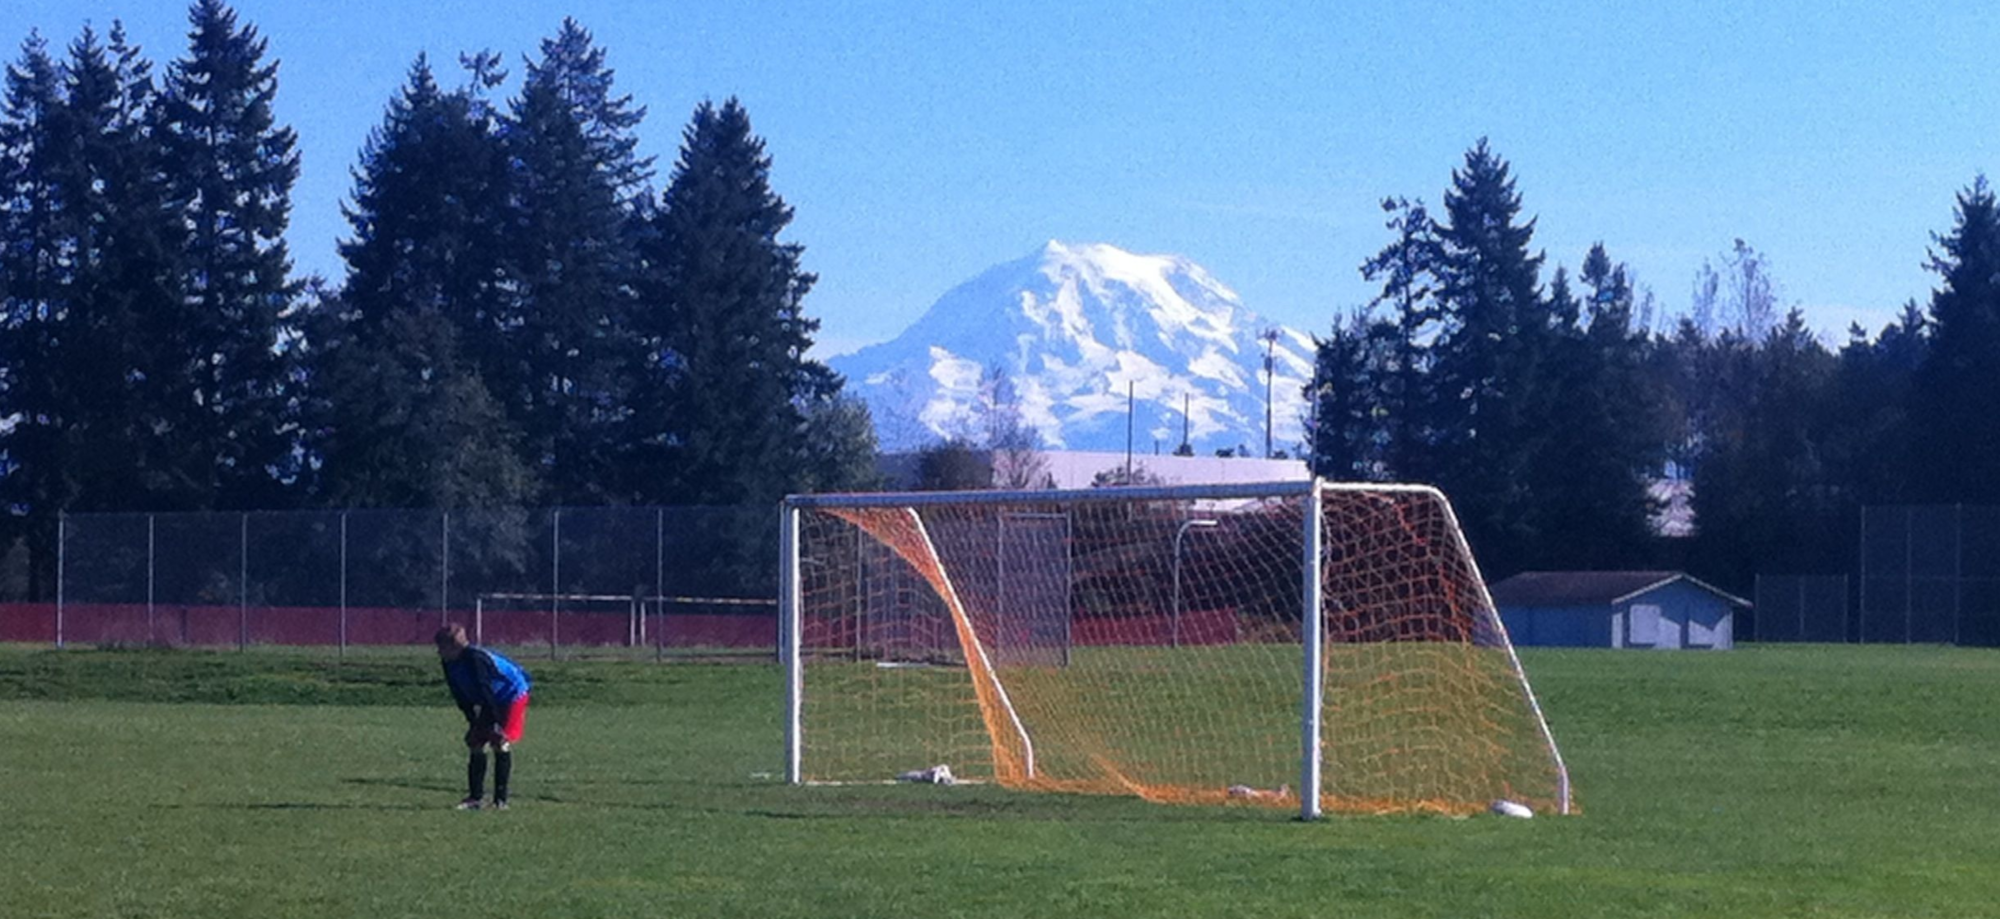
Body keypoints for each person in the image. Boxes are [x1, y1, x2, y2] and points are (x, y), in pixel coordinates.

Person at [434, 624, 531, 810]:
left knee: (499, 741)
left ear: (455, 647)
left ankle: (500, 801)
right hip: (490, 699)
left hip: (511, 695)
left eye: (442, 647)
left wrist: (493, 723)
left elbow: (485, 690)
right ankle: (475, 798)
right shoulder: (448, 662)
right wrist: (473, 721)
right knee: (476, 742)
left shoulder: (476, 659)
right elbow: (459, 694)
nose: (438, 652)